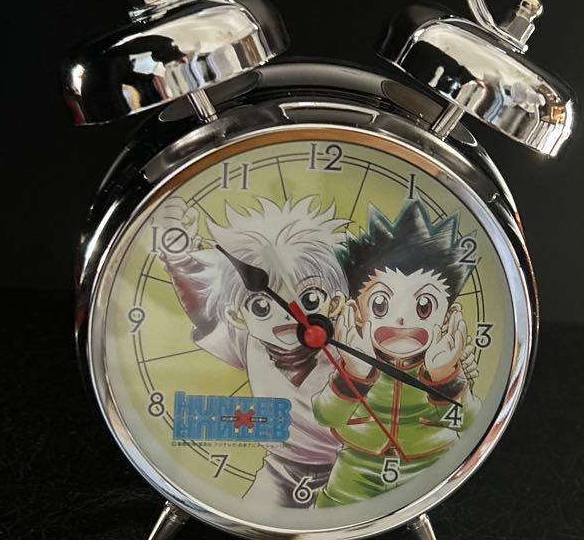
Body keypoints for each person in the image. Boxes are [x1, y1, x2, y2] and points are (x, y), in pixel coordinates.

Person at [152, 194, 349, 508]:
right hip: (282, 469)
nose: (288, 314)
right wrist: (177, 253)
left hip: (354, 465)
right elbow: (203, 308)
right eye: (261, 306)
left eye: (309, 299)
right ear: (237, 316)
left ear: (335, 303)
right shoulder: (248, 343)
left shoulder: (352, 343)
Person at [313, 201, 480, 507]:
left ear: (447, 317)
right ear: (357, 312)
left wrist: (444, 377)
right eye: (380, 305)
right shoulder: (358, 362)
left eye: (424, 307)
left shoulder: (441, 367)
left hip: (434, 473)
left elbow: (469, 422)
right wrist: (355, 374)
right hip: (353, 470)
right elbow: (326, 415)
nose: (402, 319)